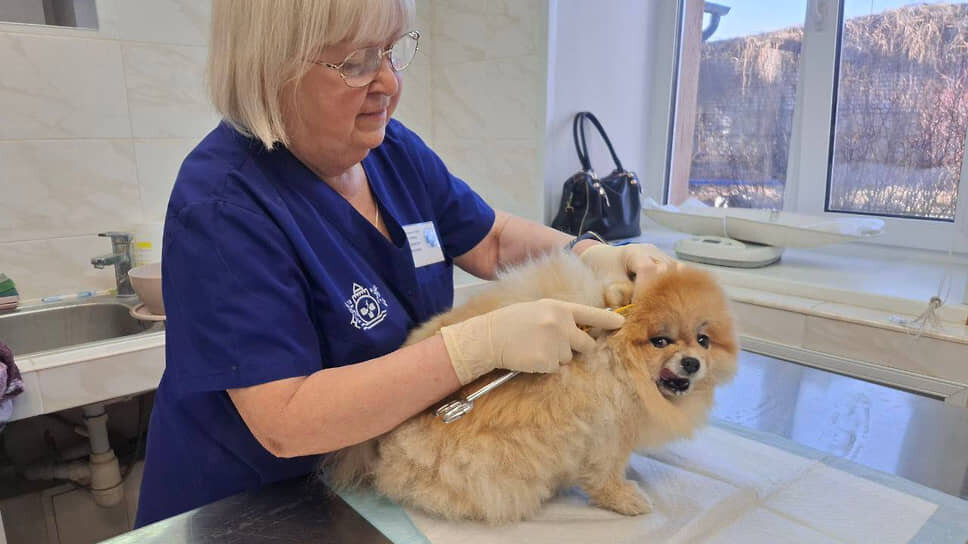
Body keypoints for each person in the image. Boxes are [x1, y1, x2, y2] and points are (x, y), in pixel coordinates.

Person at [134, 0, 676, 527]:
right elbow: (285, 421)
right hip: (247, 507)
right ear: (273, 67)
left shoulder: (388, 148)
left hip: (364, 485)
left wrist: (591, 253)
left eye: (392, 51)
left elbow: (490, 238)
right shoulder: (224, 206)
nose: (389, 84)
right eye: (357, 62)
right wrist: (476, 346)